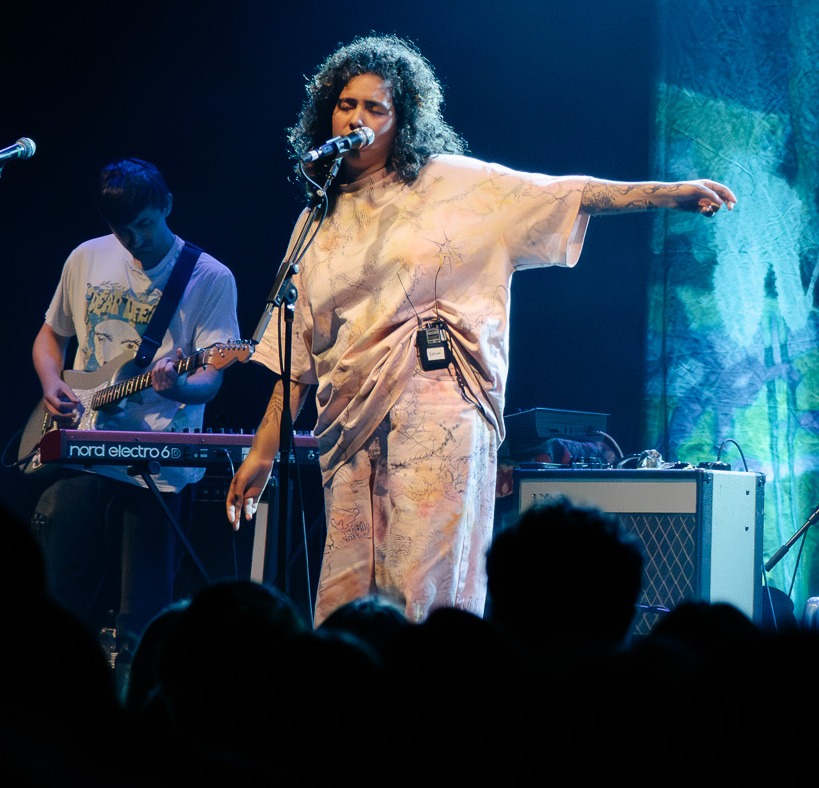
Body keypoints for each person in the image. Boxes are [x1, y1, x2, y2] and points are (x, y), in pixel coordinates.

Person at [230, 34, 736, 624]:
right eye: (346, 104)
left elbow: (563, 192)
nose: (356, 118)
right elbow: (297, 358)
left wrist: (667, 194)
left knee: (422, 583)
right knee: (349, 593)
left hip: (436, 402)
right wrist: (261, 453)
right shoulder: (317, 217)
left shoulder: (451, 183)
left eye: (375, 107)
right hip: (348, 424)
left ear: (404, 120)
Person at [28, 159, 240, 648]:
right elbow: (51, 334)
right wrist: (50, 381)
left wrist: (176, 388)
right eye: (123, 231)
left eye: (145, 224)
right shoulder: (86, 257)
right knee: (58, 604)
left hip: (156, 465)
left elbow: (210, 376)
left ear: (167, 205)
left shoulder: (209, 277)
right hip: (82, 450)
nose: (136, 240)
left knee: (140, 624)